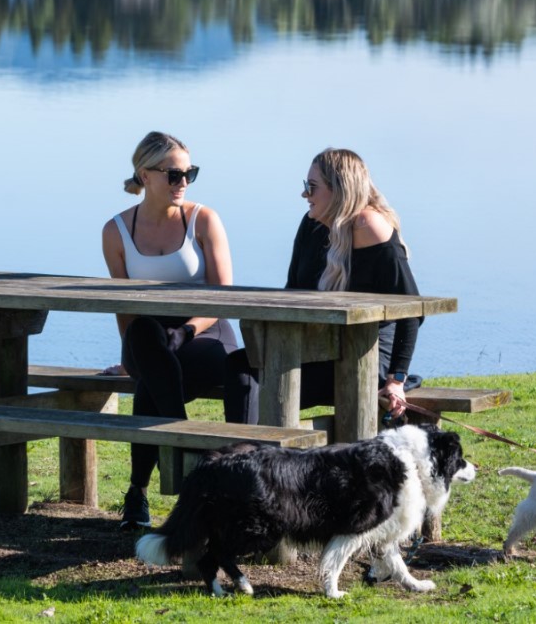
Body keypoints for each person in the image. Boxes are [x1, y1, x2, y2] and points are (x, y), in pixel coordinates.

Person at [224, 147, 422, 427]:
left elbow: (411, 310)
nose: (305, 195)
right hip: (319, 349)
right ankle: (248, 453)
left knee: (263, 380)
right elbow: (292, 291)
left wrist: (396, 379)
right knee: (240, 366)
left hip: (364, 356)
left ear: (339, 189)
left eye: (312, 187)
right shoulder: (312, 224)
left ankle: (257, 456)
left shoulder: (369, 226)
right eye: (306, 186)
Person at [101, 131, 236, 530]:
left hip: (204, 334)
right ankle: (183, 451)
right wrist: (132, 358)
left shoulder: (203, 220)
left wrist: (187, 332)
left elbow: (224, 297)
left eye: (189, 173)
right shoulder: (116, 231)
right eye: (174, 174)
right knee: (146, 339)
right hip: (148, 340)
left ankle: (137, 493)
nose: (183, 183)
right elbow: (125, 311)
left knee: (152, 382)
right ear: (145, 174)